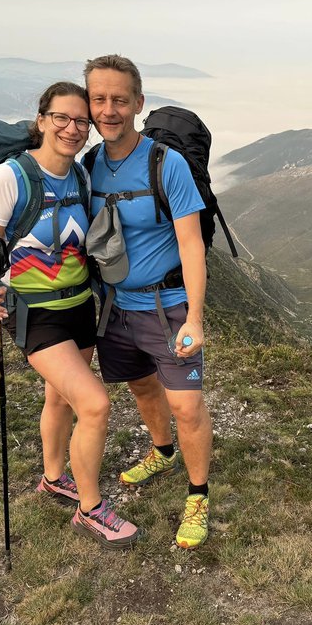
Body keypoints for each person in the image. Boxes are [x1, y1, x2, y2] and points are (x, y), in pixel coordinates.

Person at [0, 81, 141, 549]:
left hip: (79, 304)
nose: (72, 128)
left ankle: (52, 477)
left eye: (81, 121)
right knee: (95, 404)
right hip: (33, 314)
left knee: (61, 399)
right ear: (41, 120)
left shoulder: (81, 177)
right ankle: (90, 508)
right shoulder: (10, 177)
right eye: (61, 118)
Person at [85, 55, 212, 549]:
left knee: (187, 405)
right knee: (140, 386)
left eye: (120, 99)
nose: (109, 109)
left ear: (139, 103)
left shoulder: (167, 163)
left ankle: (198, 495)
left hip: (169, 304)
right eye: (99, 99)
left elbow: (191, 246)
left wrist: (195, 318)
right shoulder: (90, 165)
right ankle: (162, 453)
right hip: (115, 306)